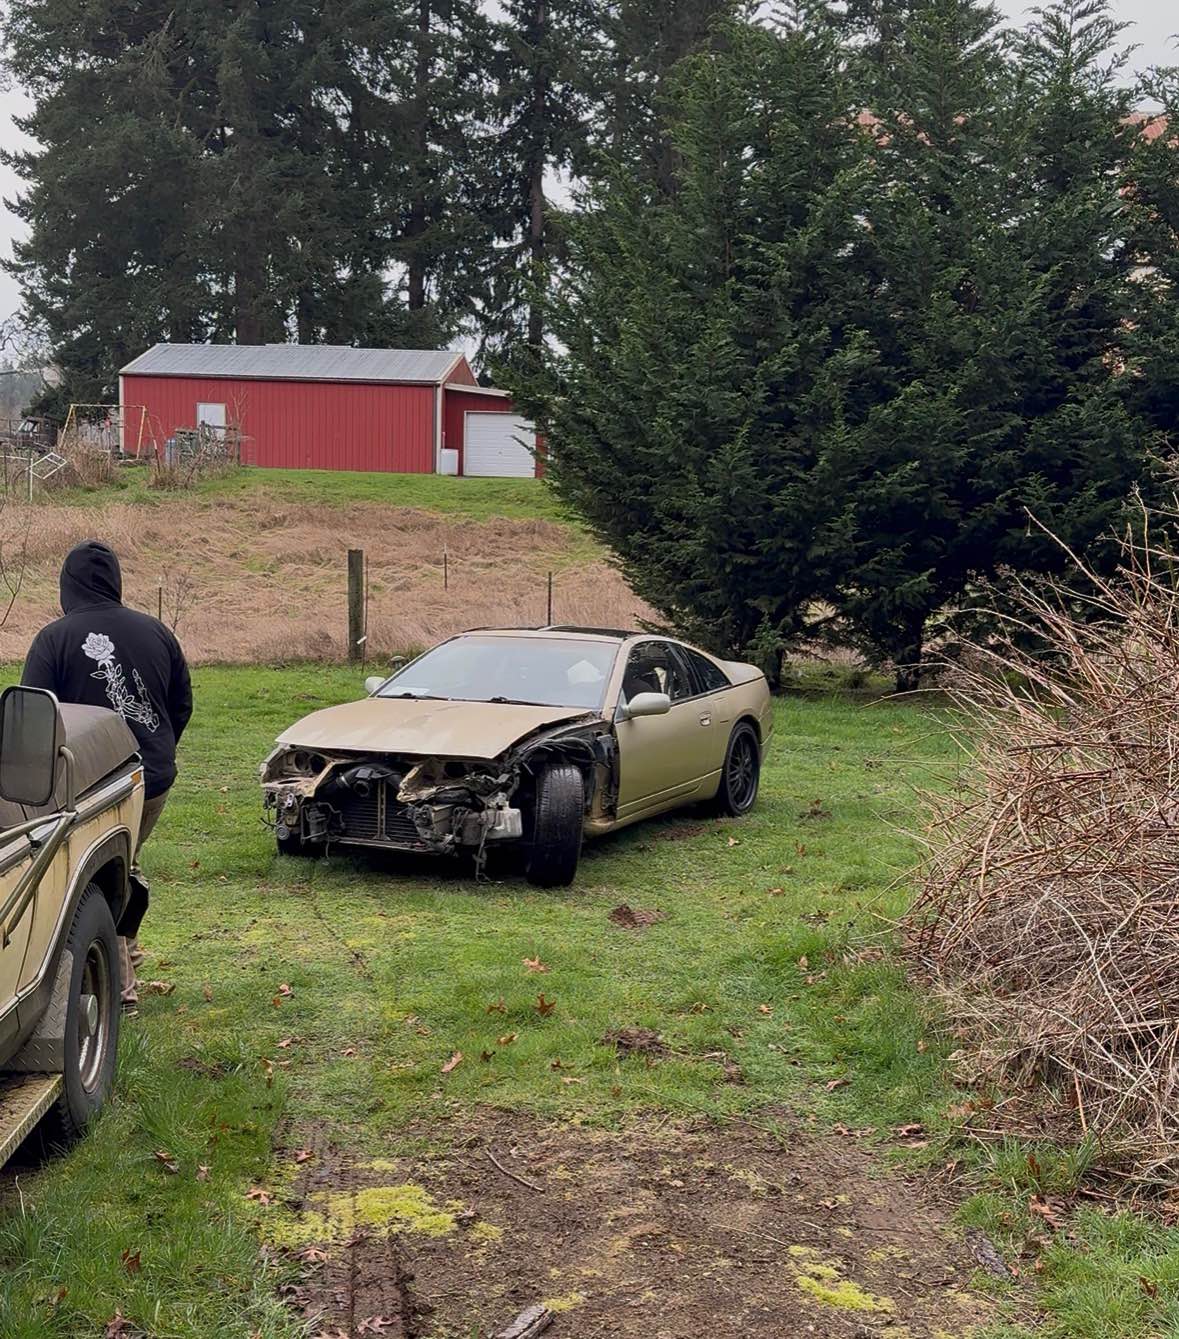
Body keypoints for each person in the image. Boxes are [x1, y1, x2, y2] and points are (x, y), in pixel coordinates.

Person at [21, 540, 192, 1011]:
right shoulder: (156, 632)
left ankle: (118, 990)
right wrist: (155, 753)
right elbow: (181, 704)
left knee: (100, 875)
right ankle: (125, 957)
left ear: (66, 586)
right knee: (123, 861)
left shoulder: (54, 639)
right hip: (149, 780)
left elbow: (33, 720)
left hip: (89, 784)